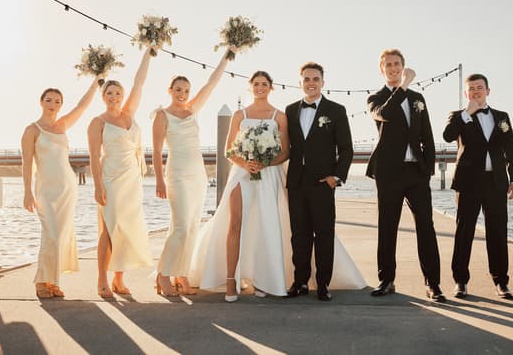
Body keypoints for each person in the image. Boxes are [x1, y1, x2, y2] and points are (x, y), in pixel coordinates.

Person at [189, 71, 291, 300]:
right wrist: (246, 163)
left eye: (265, 84)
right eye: (256, 84)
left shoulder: (280, 116)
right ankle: (230, 280)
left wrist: (265, 162)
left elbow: (285, 152)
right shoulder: (239, 115)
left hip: (268, 175)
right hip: (241, 174)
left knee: (265, 226)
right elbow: (228, 150)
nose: (260, 87)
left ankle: (263, 280)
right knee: (234, 224)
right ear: (250, 87)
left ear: (271, 87)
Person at [151, 48, 234, 297]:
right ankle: (163, 275)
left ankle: (181, 273)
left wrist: (227, 56)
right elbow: (156, 151)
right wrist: (158, 179)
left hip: (198, 175)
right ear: (170, 90)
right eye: (178, 90)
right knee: (180, 226)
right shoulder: (161, 115)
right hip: (176, 173)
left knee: (191, 226)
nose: (183, 94)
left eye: (186, 90)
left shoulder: (193, 109)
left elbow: (212, 83)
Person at [366, 49, 445, 302]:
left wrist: (428, 169)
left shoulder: (418, 98)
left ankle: (433, 284)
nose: (393, 68)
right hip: (389, 172)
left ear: (403, 65)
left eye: (396, 64)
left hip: (416, 172)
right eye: (388, 65)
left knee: (426, 226)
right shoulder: (375, 98)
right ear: (382, 70)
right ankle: (386, 280)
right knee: (387, 227)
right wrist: (404, 85)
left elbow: (428, 136)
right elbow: (385, 115)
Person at [21, 76, 102, 299]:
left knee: (62, 235)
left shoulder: (63, 125)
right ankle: (41, 281)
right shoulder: (32, 130)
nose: (53, 104)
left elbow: (82, 105)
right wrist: (27, 191)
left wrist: (96, 82)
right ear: (41, 102)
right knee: (51, 234)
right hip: (46, 190)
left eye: (57, 101)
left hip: (67, 188)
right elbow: (27, 163)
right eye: (49, 100)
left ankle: (52, 280)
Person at [442, 73, 513, 299]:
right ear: (465, 93)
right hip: (468, 182)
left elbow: (511, 151)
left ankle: (501, 282)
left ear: (488, 90)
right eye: (471, 89)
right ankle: (460, 281)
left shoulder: (501, 117)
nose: (476, 91)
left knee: (497, 231)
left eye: (480, 87)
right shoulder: (458, 116)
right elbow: (448, 136)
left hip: (496, 182)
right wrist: (467, 113)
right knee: (464, 231)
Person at [284, 62, 357, 302]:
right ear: (300, 82)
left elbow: (346, 149)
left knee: (324, 234)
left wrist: (335, 178)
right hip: (296, 183)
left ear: (323, 82)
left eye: (315, 79)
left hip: (322, 184)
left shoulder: (336, 110)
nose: (311, 83)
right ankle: (301, 281)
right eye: (306, 79)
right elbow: (287, 147)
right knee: (299, 235)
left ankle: (323, 284)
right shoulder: (290, 110)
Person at [87, 47, 156, 298]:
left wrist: (148, 52)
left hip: (132, 179)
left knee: (126, 228)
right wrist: (97, 186)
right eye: (109, 93)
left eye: (118, 93)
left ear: (122, 96)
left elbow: (140, 82)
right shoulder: (98, 123)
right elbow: (94, 157)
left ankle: (119, 279)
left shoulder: (129, 115)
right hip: (111, 179)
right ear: (103, 96)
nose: (114, 96)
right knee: (108, 228)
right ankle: (101, 279)